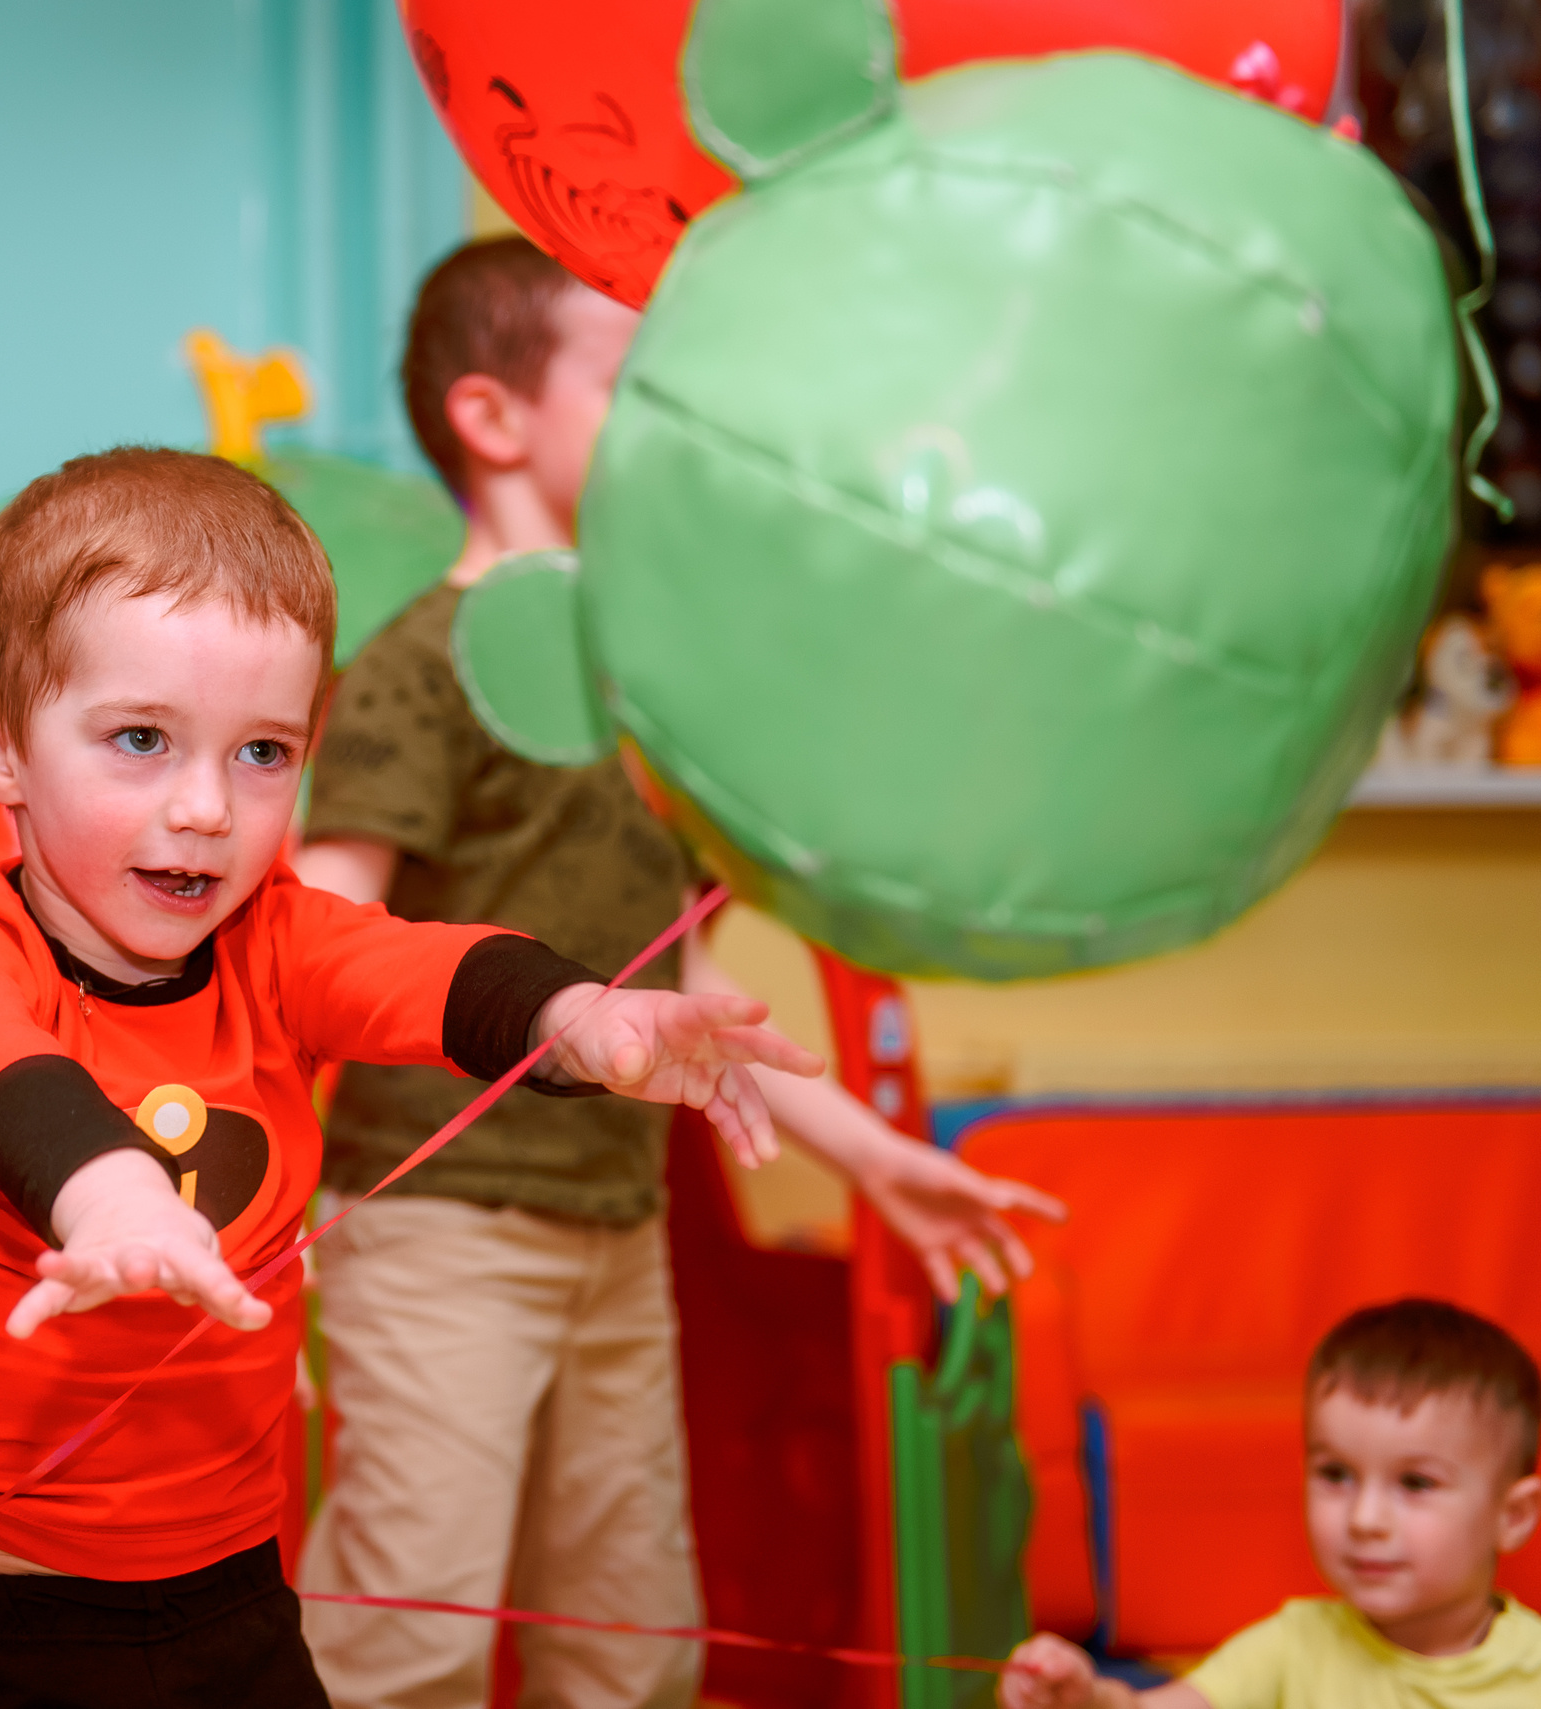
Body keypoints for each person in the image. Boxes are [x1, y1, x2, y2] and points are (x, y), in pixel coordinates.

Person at [0, 445, 828, 1709]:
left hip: (232, 1583)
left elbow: (421, 969)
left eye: (262, 753)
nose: (207, 806)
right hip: (1, 1604)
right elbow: (4, 1073)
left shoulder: (271, 937)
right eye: (141, 739)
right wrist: (114, 1199)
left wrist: (580, 1015)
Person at [293, 236, 1067, 1709]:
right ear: (495, 419)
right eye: (629, 376)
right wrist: (255, 1206)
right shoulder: (418, 668)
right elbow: (320, 947)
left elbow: (693, 996)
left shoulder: (641, 691)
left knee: (635, 1644)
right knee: (411, 1640)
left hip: (617, 1232)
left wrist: (875, 1158)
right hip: (439, 1235)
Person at [1000, 1298, 1541, 1708]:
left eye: (1416, 1484)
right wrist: (1083, 1697)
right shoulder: (1293, 1645)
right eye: (1336, 1474)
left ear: (1513, 1516)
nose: (1364, 1520)